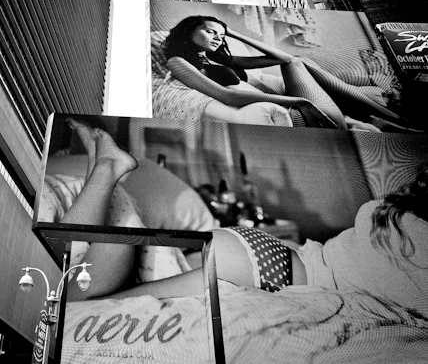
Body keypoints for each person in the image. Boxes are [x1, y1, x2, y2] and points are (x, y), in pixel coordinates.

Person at [63, 121, 427, 319]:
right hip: (268, 268)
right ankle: (111, 173)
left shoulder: (396, 212)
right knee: (85, 303)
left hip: (265, 255)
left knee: (85, 302)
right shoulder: (419, 237)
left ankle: (107, 173)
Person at [160, 16, 402, 129]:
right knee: (298, 63)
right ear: (189, 30)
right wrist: (297, 100)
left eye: (220, 35)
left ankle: (387, 117)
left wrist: (232, 32)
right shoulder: (177, 61)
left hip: (306, 107)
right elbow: (227, 96)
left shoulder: (218, 58)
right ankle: (388, 116)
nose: (217, 38)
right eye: (210, 32)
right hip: (304, 114)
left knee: (298, 61)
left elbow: (283, 59)